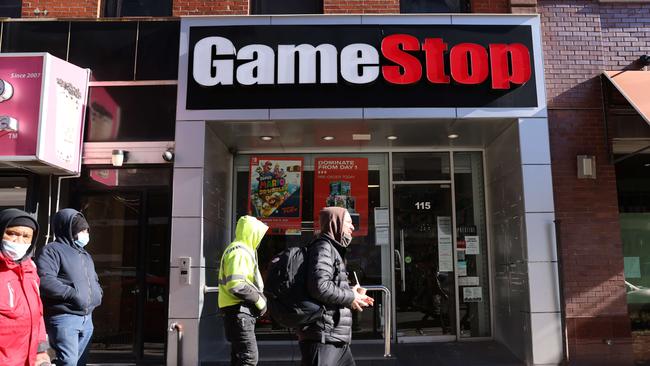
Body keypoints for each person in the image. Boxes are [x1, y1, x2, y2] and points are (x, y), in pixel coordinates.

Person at [298, 207, 374, 366]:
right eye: (348, 223)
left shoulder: (333, 249)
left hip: (335, 338)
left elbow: (328, 285)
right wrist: (351, 296)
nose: (353, 227)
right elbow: (319, 286)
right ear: (336, 224)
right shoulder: (323, 247)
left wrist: (352, 293)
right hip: (323, 338)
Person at [36, 209, 102, 366]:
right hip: (64, 317)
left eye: (86, 230)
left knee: (79, 362)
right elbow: (44, 281)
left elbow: (94, 279)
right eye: (81, 230)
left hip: (87, 318)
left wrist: (98, 293)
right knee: (69, 362)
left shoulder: (85, 254)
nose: (85, 233)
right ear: (68, 229)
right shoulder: (51, 250)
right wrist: (73, 294)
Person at [0, 208, 51, 366]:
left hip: (26, 358)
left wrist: (41, 351)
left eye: (26, 236)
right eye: (12, 233)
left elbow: (37, 314)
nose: (18, 241)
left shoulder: (30, 269)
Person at [218, 215, 270, 366]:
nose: (260, 240)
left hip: (236, 314)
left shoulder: (237, 250)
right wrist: (260, 301)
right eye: (258, 235)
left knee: (240, 358)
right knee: (248, 359)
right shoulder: (240, 251)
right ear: (252, 233)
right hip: (240, 314)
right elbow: (236, 284)